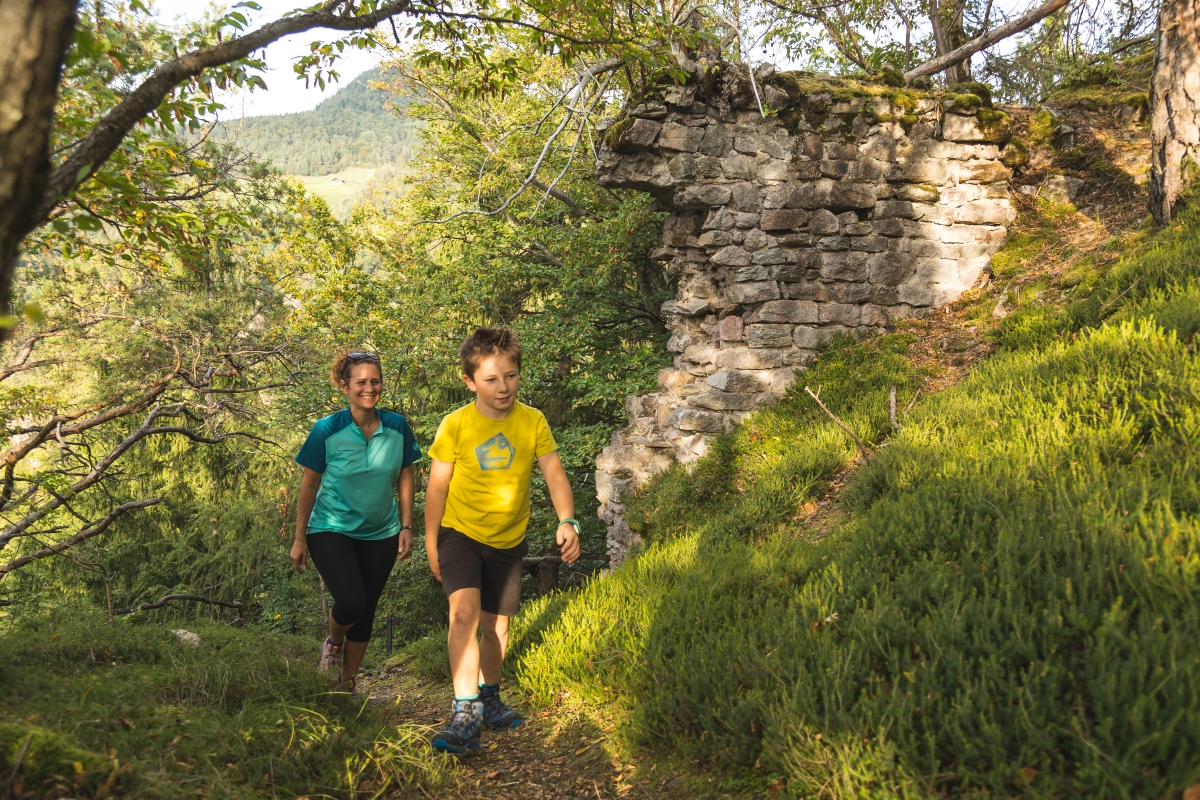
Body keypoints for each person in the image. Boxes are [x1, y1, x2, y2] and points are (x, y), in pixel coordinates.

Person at [424, 328, 580, 753]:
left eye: (510, 376)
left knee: (497, 626)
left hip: (509, 541)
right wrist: (430, 541)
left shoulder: (532, 421)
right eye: (491, 379)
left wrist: (568, 520)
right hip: (460, 533)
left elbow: (554, 474)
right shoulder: (455, 425)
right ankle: (465, 710)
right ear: (470, 381)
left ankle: (489, 696)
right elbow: (437, 489)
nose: (503, 387)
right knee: (464, 616)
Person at [290, 350, 422, 695]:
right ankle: (333, 643)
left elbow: (406, 476)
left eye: (375, 381)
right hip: (330, 528)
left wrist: (407, 526)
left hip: (381, 531)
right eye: (361, 382)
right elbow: (309, 484)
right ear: (345, 385)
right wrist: (299, 537)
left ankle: (346, 683)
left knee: (367, 609)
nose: (369, 388)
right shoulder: (326, 430)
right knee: (351, 601)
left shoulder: (397, 426)